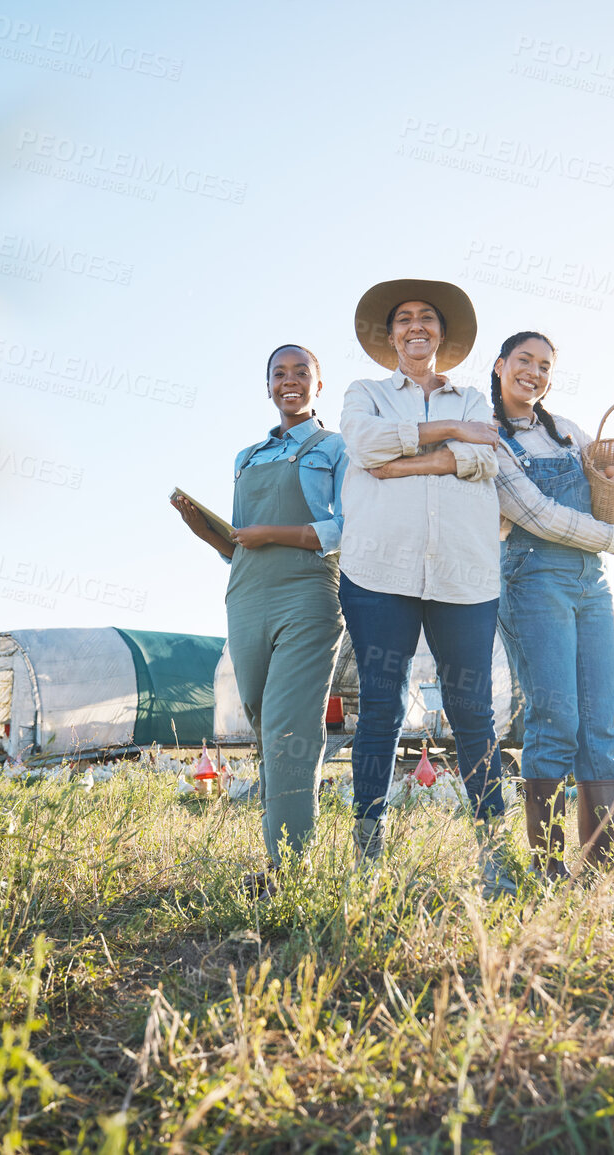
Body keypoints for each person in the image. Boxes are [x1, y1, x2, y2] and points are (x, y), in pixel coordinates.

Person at [336, 278, 520, 898]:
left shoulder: (472, 399)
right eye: (404, 319)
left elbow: (487, 457)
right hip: (379, 571)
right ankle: (368, 857)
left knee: (472, 712)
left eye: (428, 319)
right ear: (390, 336)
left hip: (464, 573)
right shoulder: (364, 393)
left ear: (443, 334)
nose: (417, 327)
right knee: (380, 707)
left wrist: (419, 460)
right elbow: (362, 446)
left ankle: (494, 858)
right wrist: (448, 441)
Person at [489, 331, 614, 880]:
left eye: (545, 365)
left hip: (592, 582)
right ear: (500, 366)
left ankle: (601, 868)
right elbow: (537, 514)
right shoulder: (487, 437)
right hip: (532, 578)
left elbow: (610, 489)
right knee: (557, 717)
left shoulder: (569, 433)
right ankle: (547, 866)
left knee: (601, 723)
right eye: (524, 361)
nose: (535, 372)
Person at [171, 344, 347, 891]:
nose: (289, 381)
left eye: (302, 373)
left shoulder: (337, 449)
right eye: (279, 374)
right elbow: (240, 542)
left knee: (290, 726)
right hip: (246, 593)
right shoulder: (246, 457)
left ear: (319, 385)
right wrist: (208, 531)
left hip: (308, 592)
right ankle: (280, 852)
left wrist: (275, 534)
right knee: (263, 723)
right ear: (267, 386)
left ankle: (290, 869)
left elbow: (350, 527)